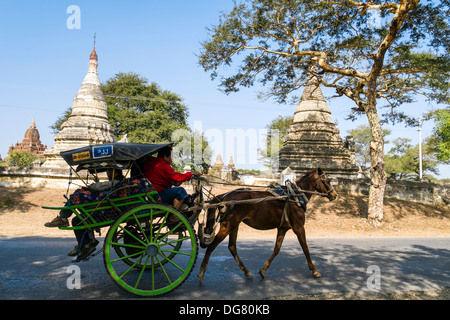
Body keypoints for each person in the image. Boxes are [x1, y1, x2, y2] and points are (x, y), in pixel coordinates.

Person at [44, 168, 124, 260]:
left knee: (77, 195)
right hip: (105, 208)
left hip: (106, 212)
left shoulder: (116, 182)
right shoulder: (116, 182)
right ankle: (86, 243)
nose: (107, 173)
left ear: (114, 172)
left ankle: (63, 218)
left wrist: (92, 186)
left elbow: (99, 187)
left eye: (109, 171)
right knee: (76, 220)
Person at [144, 146, 201, 211]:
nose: (172, 160)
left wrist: (173, 182)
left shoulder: (151, 162)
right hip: (157, 194)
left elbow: (161, 178)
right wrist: (192, 173)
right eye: (171, 157)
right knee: (181, 191)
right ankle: (174, 216)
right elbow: (178, 177)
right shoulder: (162, 164)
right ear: (165, 157)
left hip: (150, 194)